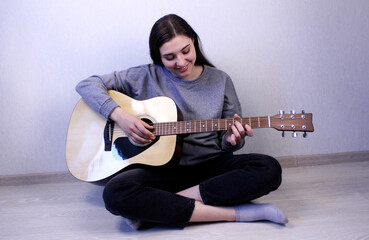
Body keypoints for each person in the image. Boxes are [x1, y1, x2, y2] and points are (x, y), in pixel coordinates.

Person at [76, 14, 287, 229]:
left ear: (194, 41)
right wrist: (121, 116)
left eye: (186, 51)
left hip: (210, 167)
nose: (181, 62)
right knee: (114, 193)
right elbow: (87, 85)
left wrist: (231, 140)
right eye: (169, 57)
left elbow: (231, 139)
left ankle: (160, 207)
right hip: (160, 171)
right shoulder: (144, 76)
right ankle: (236, 213)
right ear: (158, 56)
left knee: (269, 168)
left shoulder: (220, 80)